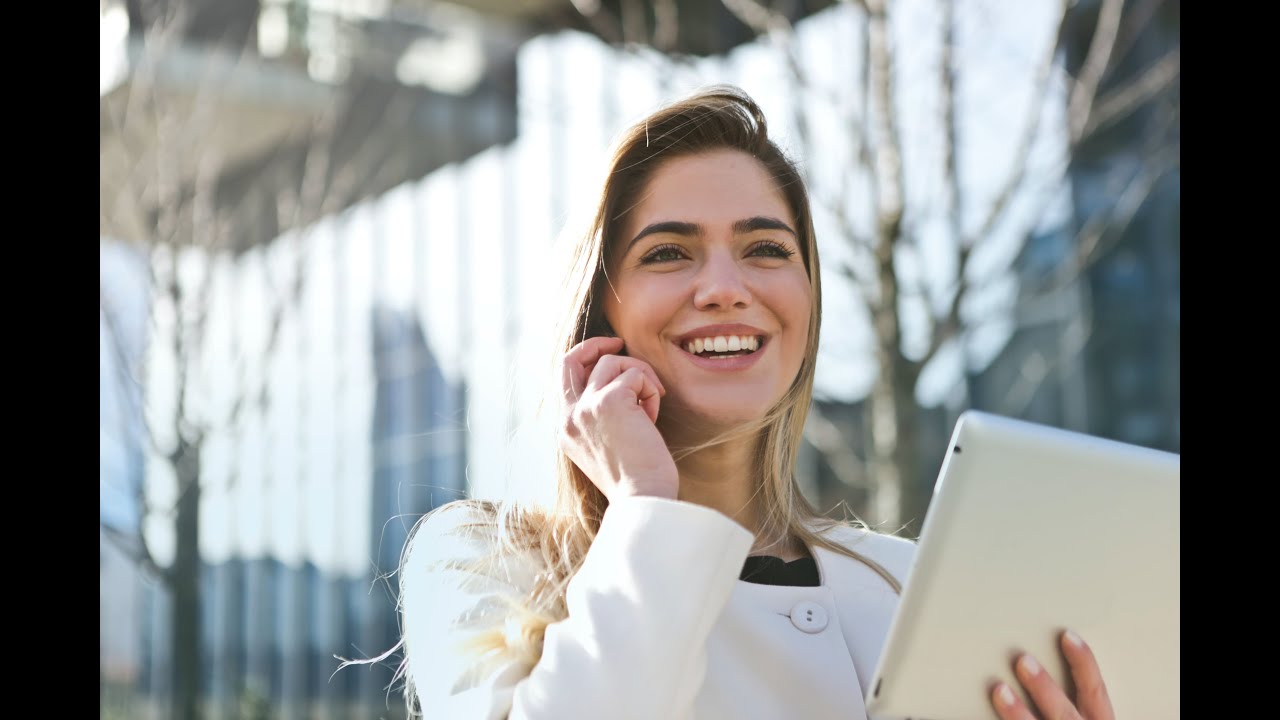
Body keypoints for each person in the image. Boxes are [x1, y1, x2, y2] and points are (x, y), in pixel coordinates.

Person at [395, 86, 1114, 720]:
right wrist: (648, 505)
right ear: (598, 314)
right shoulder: (478, 563)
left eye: (766, 249)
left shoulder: (906, 582)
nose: (724, 287)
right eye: (669, 253)